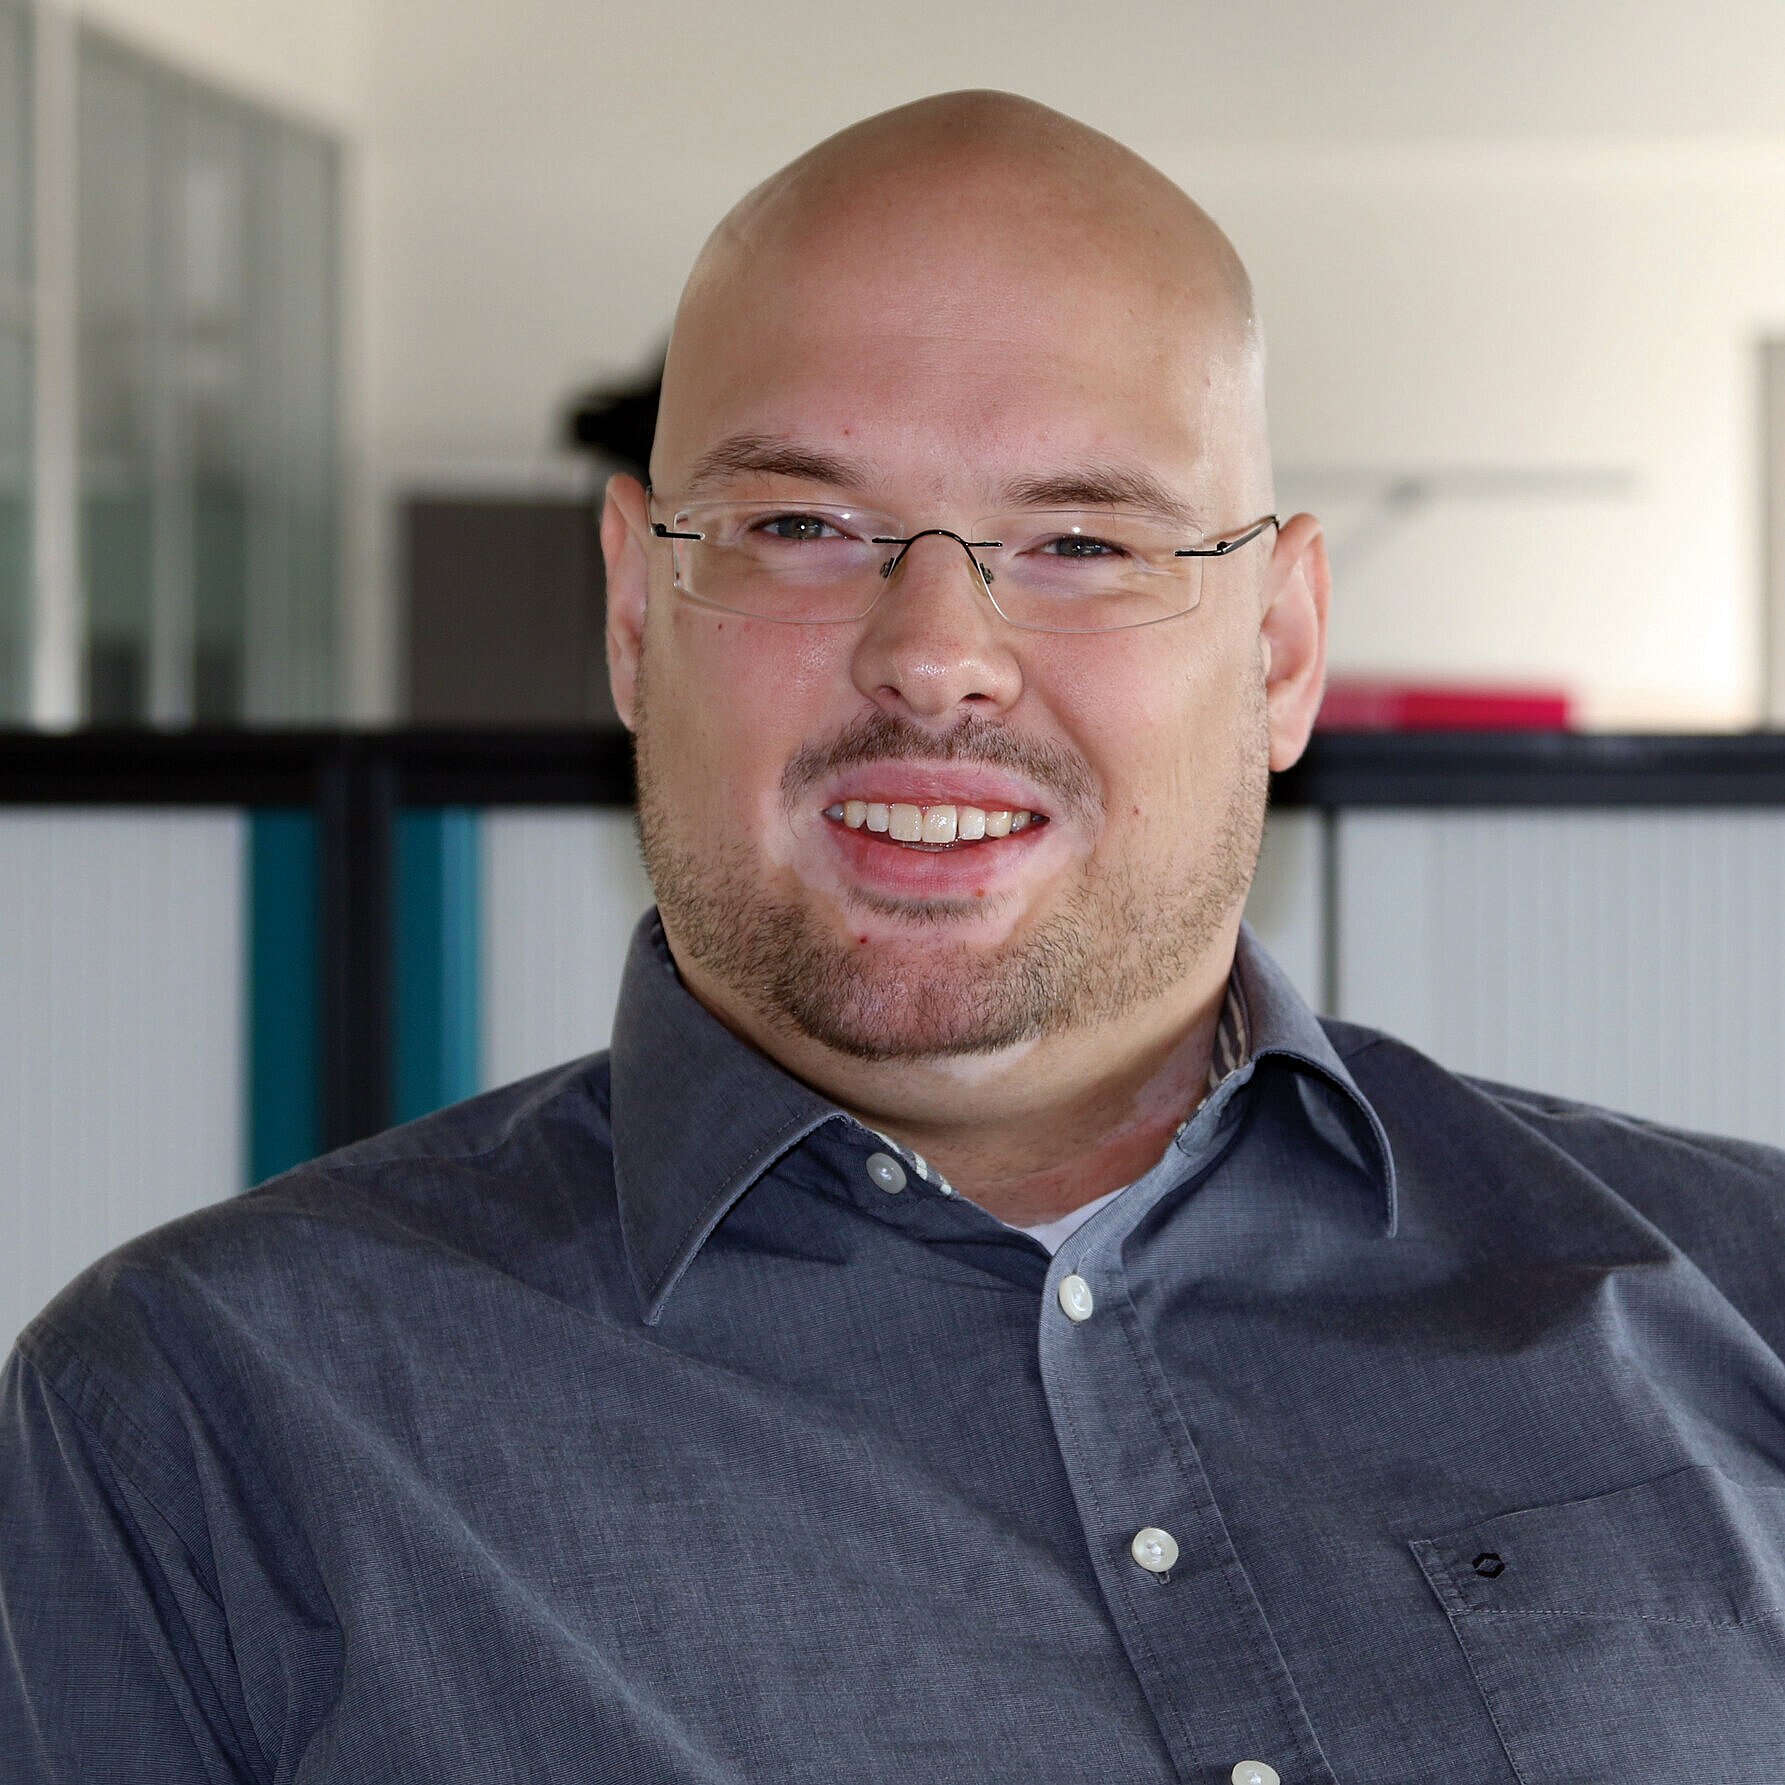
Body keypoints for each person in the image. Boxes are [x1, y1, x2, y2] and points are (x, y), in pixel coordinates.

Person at [6, 91, 1785, 1785]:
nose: (933, 648)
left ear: (1278, 648)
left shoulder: (1742, 1298)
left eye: (1081, 537)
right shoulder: (197, 1425)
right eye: (800, 528)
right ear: (636, 615)